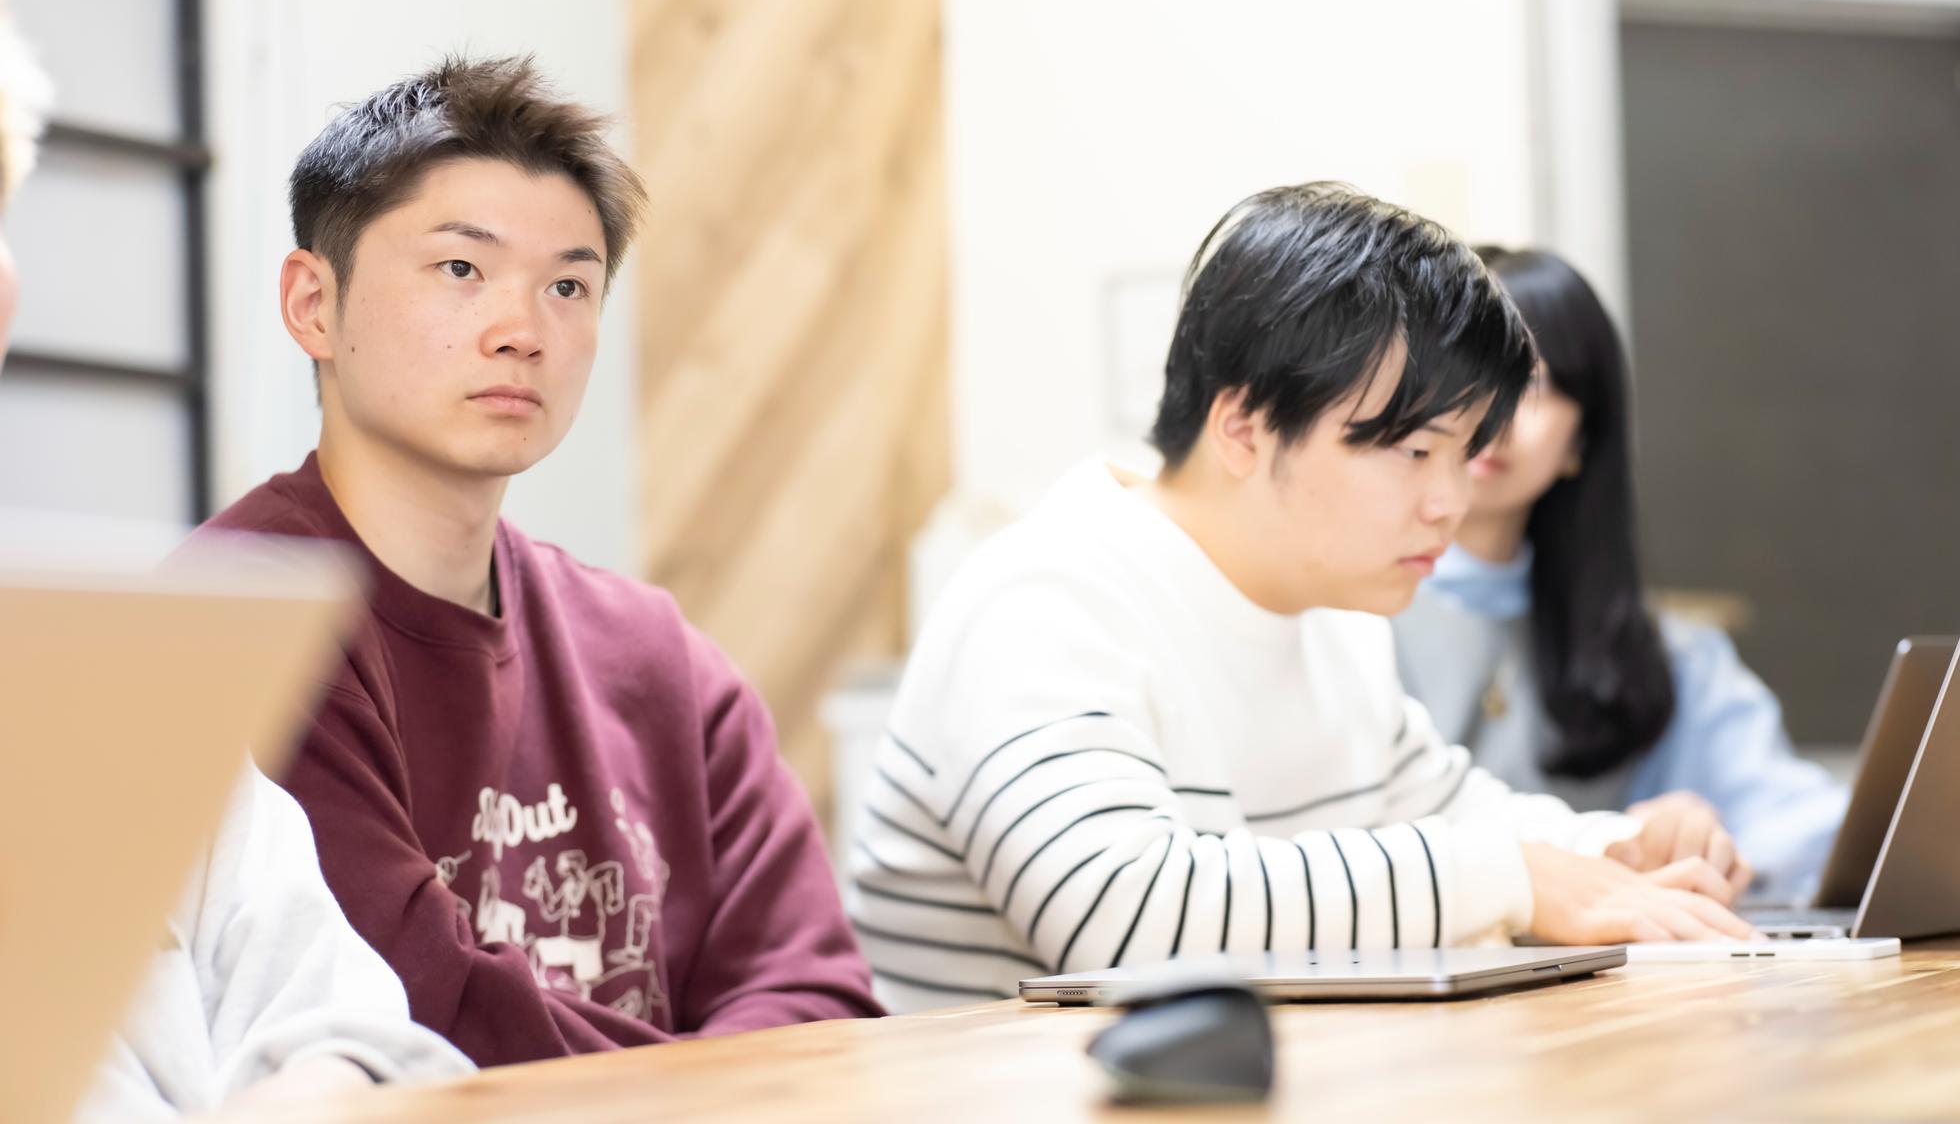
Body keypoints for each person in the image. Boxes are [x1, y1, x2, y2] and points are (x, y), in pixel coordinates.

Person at [848, 183, 1755, 1012]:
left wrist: (1615, 853)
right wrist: (1511, 878)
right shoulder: (1045, 598)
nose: (1449, 501)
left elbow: (1447, 810)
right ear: (1244, 427)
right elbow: (1119, 917)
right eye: (1415, 451)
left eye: (1463, 454)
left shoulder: (1329, 618)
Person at [193, 55, 879, 1068]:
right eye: (460, 270)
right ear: (313, 304)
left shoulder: (653, 652)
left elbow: (818, 995)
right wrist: (724, 1082)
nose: (522, 332)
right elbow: (414, 1017)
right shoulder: (231, 617)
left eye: (567, 285)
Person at [0, 0, 470, 1120]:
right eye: (459, 269)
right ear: (314, 305)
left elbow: (348, 1021)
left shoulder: (97, 670)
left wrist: (312, 1090)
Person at [1391, 247, 1846, 901]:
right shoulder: (1337, 621)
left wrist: (1692, 842)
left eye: (1533, 384)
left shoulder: (1661, 656)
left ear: (1582, 439)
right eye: (1465, 374)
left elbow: (1807, 830)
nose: (1492, 413)